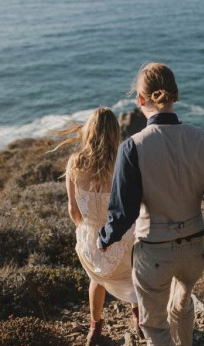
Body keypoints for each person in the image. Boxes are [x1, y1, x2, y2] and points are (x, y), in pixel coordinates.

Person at [97, 62, 204, 346]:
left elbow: (123, 212)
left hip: (154, 253)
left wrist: (105, 239)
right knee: (182, 303)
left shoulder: (132, 146)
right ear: (175, 95)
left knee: (154, 325)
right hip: (194, 252)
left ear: (140, 100)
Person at [52, 107, 139, 346]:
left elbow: (72, 209)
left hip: (91, 240)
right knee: (133, 273)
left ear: (89, 131)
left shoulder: (75, 162)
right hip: (122, 236)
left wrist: (86, 230)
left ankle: (95, 327)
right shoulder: (123, 161)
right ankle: (138, 317)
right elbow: (132, 204)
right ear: (114, 133)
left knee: (97, 279)